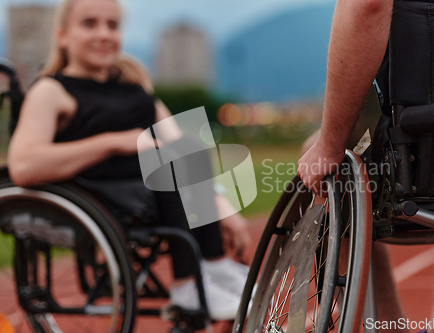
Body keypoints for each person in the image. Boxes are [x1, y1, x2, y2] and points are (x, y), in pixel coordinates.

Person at [7, 0, 251, 321]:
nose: (104, 34)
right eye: (89, 24)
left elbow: (186, 150)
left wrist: (225, 211)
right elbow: (24, 166)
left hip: (157, 187)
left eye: (112, 25)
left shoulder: (135, 86)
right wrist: (112, 143)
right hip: (106, 194)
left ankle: (217, 268)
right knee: (163, 157)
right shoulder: (51, 90)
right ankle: (187, 285)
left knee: (187, 145)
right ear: (63, 35)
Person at [296, 0, 434, 332]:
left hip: (416, 146)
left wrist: (330, 144)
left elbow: (367, 5)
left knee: (330, 159)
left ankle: (386, 324)